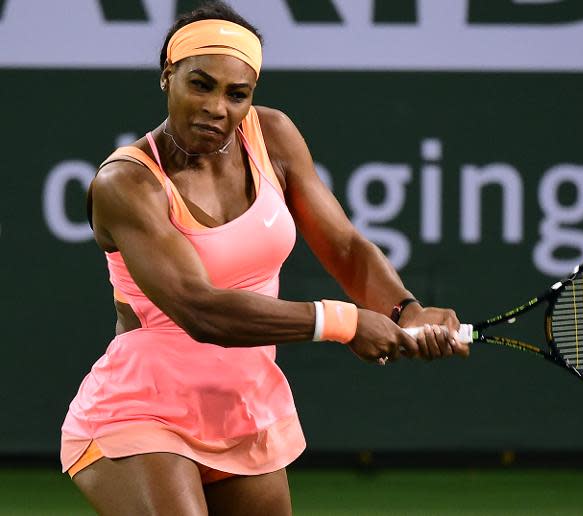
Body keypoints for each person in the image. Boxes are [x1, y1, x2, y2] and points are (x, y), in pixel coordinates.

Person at [60, 1, 468, 514]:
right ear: (168, 76)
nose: (217, 108)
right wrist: (343, 322)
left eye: (238, 94)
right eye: (200, 84)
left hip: (243, 408)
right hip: (142, 411)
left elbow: (344, 246)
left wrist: (405, 311)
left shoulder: (271, 135)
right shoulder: (127, 183)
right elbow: (201, 310)